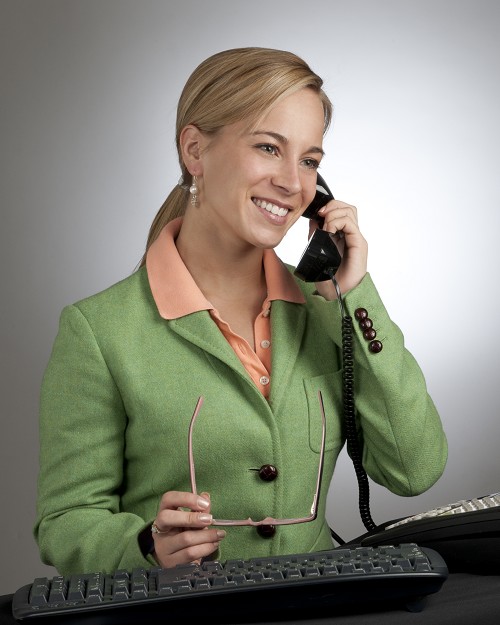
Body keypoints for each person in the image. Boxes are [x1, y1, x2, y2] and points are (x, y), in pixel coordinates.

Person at [34, 47, 447, 577]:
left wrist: (351, 295)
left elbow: (414, 469)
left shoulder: (326, 312)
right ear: (195, 150)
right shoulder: (99, 330)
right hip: (182, 613)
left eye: (310, 162)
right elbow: (66, 522)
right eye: (269, 148)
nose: (294, 184)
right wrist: (144, 546)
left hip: (318, 607)